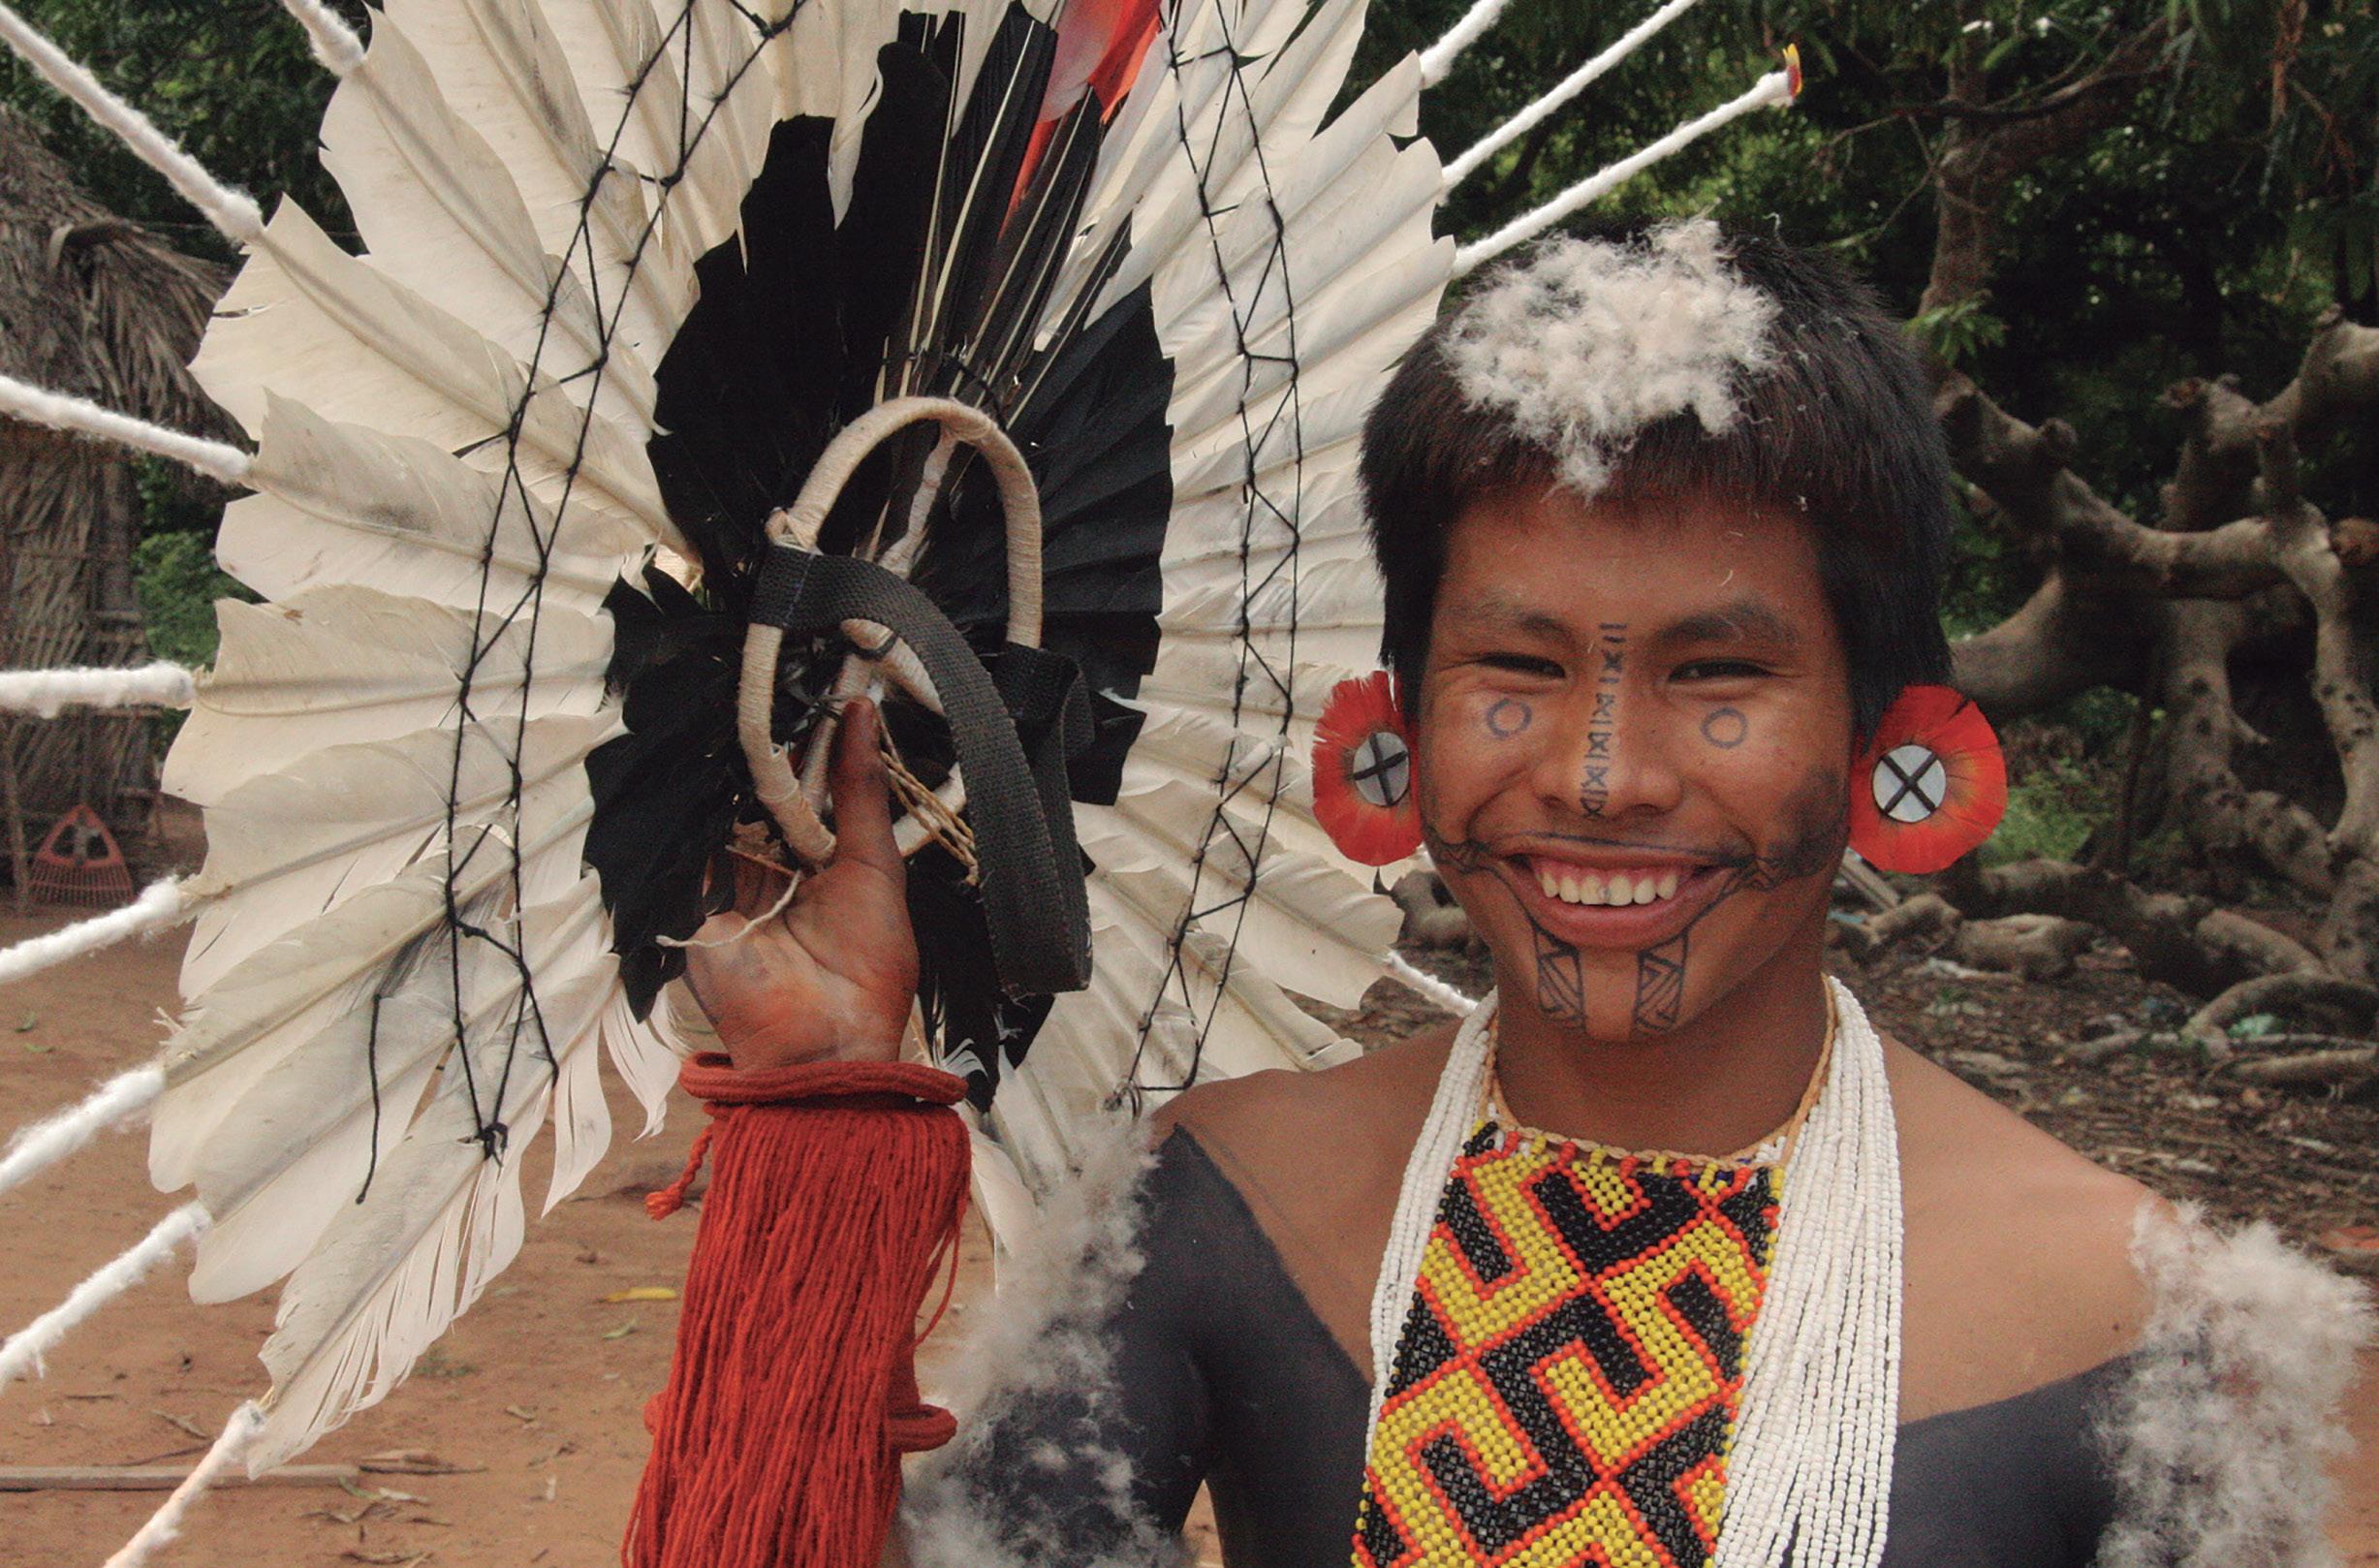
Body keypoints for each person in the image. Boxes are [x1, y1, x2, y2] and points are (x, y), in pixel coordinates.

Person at [654, 222, 2368, 1568]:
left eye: (1718, 673)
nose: (1601, 774)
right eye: (1520, 668)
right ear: (1389, 734)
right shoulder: (1218, 1205)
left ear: (1895, 742)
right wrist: (822, 1100)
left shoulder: (2149, 1326)